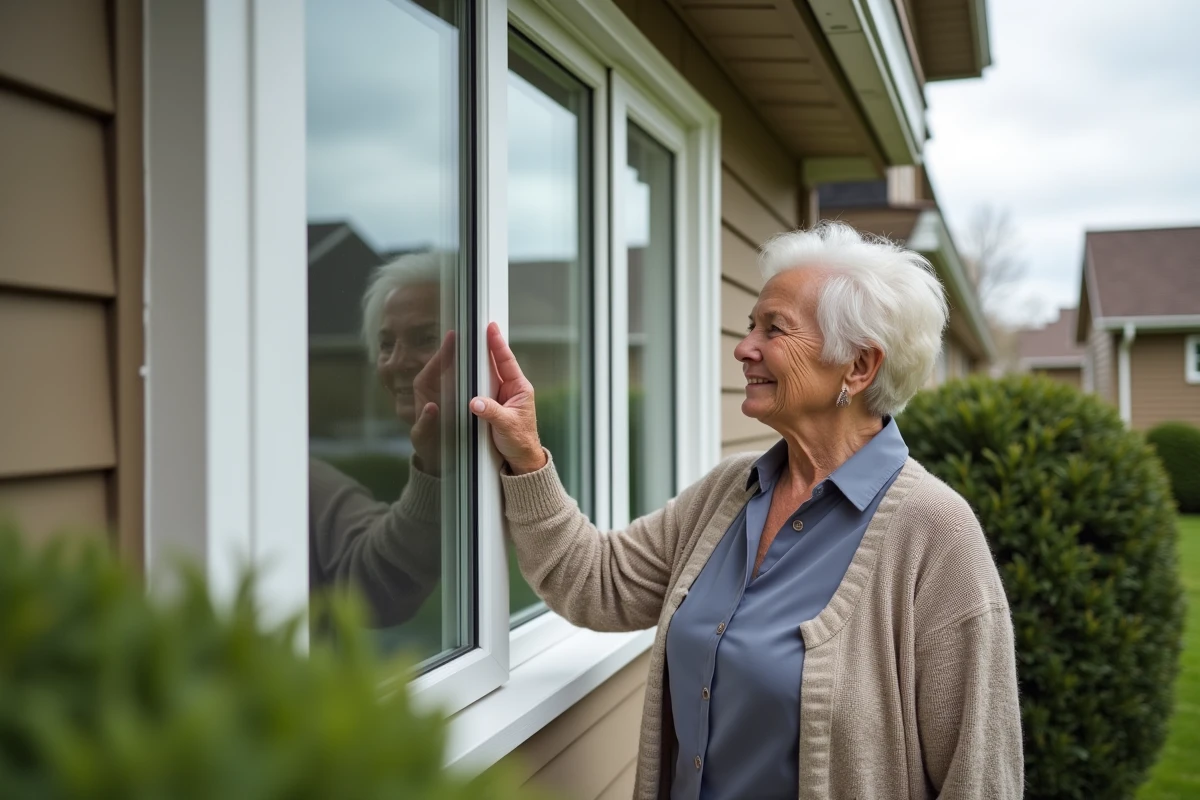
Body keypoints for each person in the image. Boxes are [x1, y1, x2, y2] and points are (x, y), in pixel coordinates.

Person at [470, 222, 1023, 800]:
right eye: (750, 325)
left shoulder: (935, 533)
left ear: (858, 367)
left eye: (774, 328)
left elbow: (980, 777)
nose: (743, 347)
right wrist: (528, 456)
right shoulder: (731, 491)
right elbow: (595, 582)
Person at [309, 252, 454, 629]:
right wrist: (434, 465)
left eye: (426, 337)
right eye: (386, 345)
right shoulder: (302, 485)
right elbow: (375, 582)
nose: (396, 362)